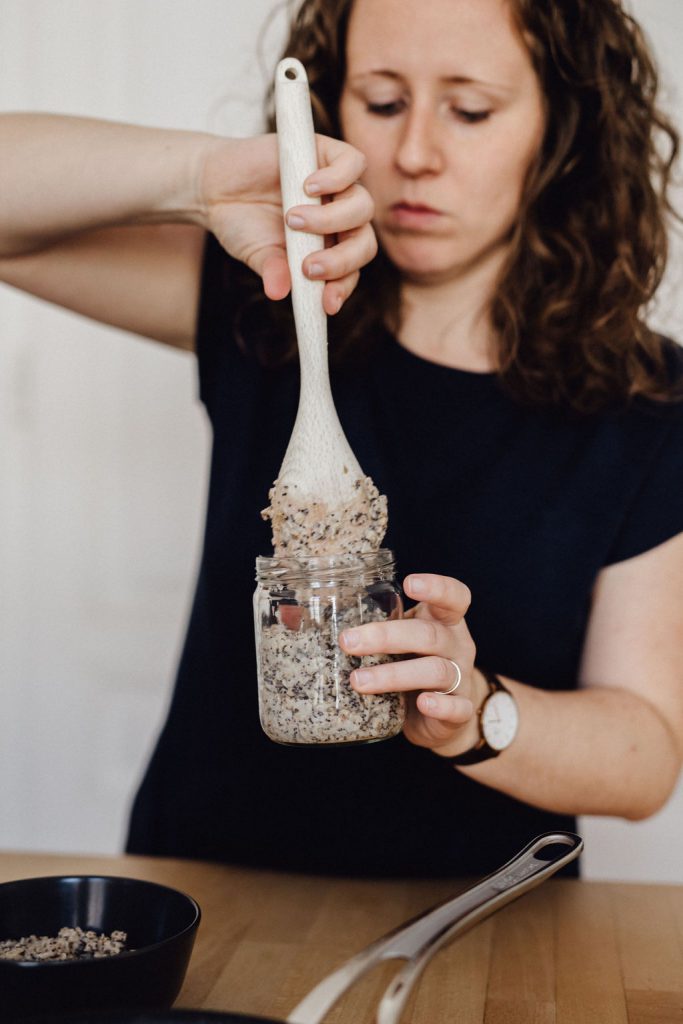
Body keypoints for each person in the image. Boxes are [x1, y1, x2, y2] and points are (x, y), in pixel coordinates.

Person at [2, 0, 682, 878]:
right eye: (382, 100)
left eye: (469, 109)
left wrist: (474, 711)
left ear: (564, 126)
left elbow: (645, 755)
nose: (413, 155)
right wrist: (203, 179)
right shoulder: (269, 292)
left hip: (479, 921)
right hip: (213, 889)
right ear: (330, 102)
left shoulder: (644, 400)